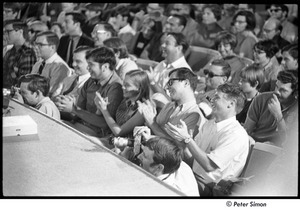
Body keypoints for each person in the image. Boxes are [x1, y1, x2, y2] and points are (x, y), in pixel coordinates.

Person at [165, 83, 249, 196]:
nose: (212, 101)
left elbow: (209, 166)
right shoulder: (209, 124)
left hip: (211, 190)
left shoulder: (236, 134)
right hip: (193, 178)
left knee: (164, 179)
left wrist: (187, 139)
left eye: (217, 97)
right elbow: (193, 160)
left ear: (230, 105)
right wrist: (181, 142)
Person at [138, 67, 205, 156]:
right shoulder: (169, 106)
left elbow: (180, 149)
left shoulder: (195, 115)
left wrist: (152, 124)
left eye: (170, 82)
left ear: (186, 83)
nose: (166, 87)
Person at [64, 47, 124, 141]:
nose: (88, 68)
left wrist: (74, 110)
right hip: (79, 126)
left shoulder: (115, 88)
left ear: (105, 67)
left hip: (96, 135)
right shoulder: (91, 80)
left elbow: (104, 123)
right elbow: (78, 111)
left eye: (91, 65)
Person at [244, 70, 298, 146]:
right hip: (254, 144)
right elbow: (247, 131)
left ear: (296, 94)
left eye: (283, 90)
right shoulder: (261, 99)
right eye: (276, 86)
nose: (276, 92)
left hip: (279, 152)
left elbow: (289, 143)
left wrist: (278, 116)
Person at [94, 69, 152, 138]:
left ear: (139, 88)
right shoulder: (126, 100)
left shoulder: (142, 109)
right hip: (111, 139)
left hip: (125, 145)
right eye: (123, 83)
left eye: (127, 85)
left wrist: (104, 110)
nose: (123, 87)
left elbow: (118, 132)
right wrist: (99, 107)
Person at [53, 46, 91, 120]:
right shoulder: (69, 79)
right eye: (73, 60)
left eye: (78, 61)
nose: (73, 64)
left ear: (90, 63)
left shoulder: (91, 85)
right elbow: (55, 96)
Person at [148, 32, 191, 97]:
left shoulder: (184, 72)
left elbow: (169, 101)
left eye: (167, 43)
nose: (162, 45)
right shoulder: (162, 64)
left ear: (179, 48)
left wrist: (152, 82)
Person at [31, 31, 71, 98]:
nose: (35, 47)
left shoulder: (60, 67)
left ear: (52, 47)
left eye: (40, 45)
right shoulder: (38, 64)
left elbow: (53, 94)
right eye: (35, 44)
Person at [3, 19, 37, 89]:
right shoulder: (9, 52)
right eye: (4, 32)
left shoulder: (28, 52)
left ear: (20, 31)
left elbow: (24, 81)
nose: (5, 35)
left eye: (8, 31)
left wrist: (11, 69)